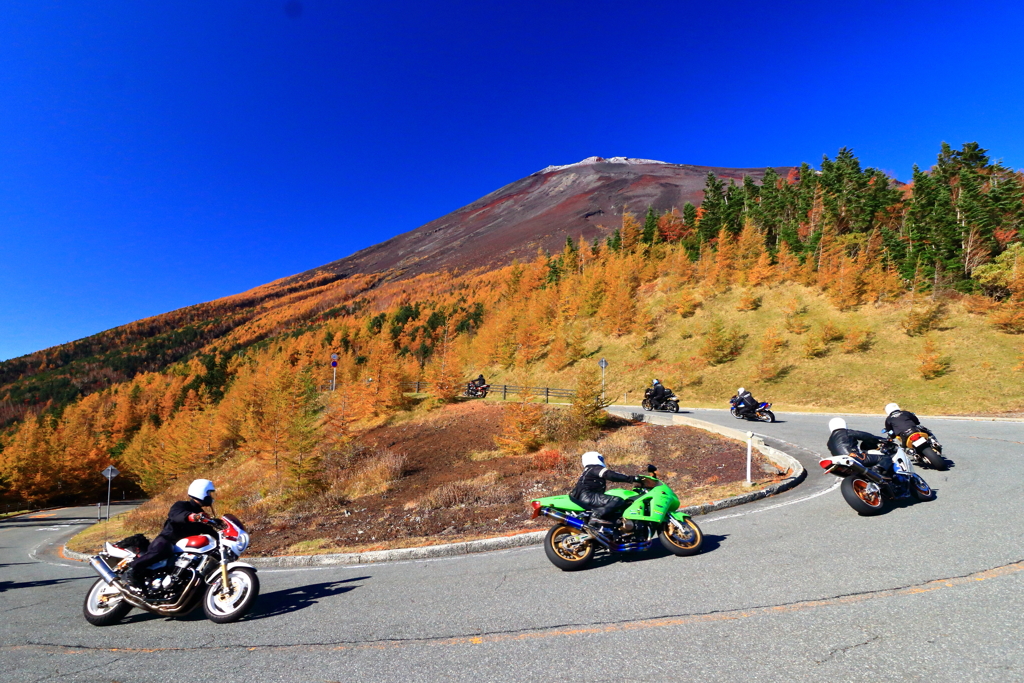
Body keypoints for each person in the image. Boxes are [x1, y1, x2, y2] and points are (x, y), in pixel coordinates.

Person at [120, 479, 218, 593]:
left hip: (182, 548)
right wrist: (192, 517)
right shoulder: (181, 505)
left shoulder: (201, 515)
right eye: (209, 493)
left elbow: (209, 531)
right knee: (163, 549)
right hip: (167, 540)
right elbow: (176, 515)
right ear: (201, 492)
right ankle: (132, 570)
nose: (211, 496)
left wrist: (222, 534)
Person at [568, 451, 644, 529]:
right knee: (617, 500)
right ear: (594, 458)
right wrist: (632, 478)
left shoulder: (588, 470)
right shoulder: (595, 468)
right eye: (600, 458)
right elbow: (611, 475)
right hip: (588, 496)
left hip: (583, 496)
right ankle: (596, 515)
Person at [826, 417, 892, 476]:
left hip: (841, 463)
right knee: (886, 458)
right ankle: (877, 471)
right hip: (854, 457)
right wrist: (882, 439)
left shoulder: (829, 442)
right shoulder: (846, 432)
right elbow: (866, 436)